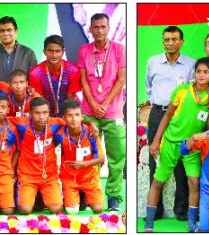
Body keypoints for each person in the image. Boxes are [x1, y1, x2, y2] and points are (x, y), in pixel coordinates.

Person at [144, 58, 209, 232]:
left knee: (194, 181)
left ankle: (192, 223)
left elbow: (208, 126)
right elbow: (167, 116)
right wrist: (156, 140)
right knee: (158, 181)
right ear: (194, 72)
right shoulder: (182, 90)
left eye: (205, 72)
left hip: (193, 145)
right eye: (198, 71)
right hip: (170, 142)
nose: (201, 75)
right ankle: (148, 223)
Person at [144, 25, 195, 221]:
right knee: (154, 158)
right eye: (167, 39)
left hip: (181, 116)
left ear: (181, 42)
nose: (171, 43)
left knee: (182, 159)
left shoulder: (190, 64)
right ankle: (154, 211)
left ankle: (181, 210)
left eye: (175, 39)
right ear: (163, 41)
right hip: (158, 113)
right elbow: (149, 88)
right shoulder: (153, 62)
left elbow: (191, 92)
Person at [76, 13, 127, 211]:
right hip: (89, 110)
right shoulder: (84, 50)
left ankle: (113, 195)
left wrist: (104, 104)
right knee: (89, 154)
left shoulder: (118, 49)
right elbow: (83, 80)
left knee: (117, 155)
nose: (99, 30)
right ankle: (90, 195)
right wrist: (93, 104)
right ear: (90, 29)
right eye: (96, 27)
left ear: (108, 27)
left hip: (112, 111)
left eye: (103, 27)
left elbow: (121, 79)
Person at [14, 97, 66, 214]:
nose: (41, 117)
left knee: (56, 209)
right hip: (27, 176)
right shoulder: (22, 124)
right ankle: (30, 197)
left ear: (49, 113)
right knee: (25, 210)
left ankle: (41, 199)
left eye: (45, 113)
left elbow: (75, 120)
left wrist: (90, 125)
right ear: (30, 113)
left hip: (49, 176)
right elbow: (1, 118)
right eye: (37, 113)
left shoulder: (55, 123)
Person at [59, 99, 106, 214]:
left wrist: (84, 164)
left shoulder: (91, 132)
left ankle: (84, 196)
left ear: (82, 117)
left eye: (77, 115)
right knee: (72, 211)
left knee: (98, 208)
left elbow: (101, 158)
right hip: (70, 177)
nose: (74, 119)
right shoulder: (59, 134)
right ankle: (69, 196)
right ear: (64, 118)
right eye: (69, 116)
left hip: (89, 177)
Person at [28, 35, 81, 117]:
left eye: (57, 51)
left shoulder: (73, 70)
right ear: (44, 51)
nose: (54, 55)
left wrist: (65, 117)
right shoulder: (35, 73)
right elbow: (39, 102)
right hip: (44, 115)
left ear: (63, 52)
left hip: (68, 113)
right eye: (50, 51)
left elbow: (71, 99)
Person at [0, 16, 38, 83]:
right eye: (2, 31)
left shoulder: (28, 53)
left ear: (16, 32)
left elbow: (34, 79)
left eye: (9, 30)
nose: (6, 33)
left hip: (22, 93)